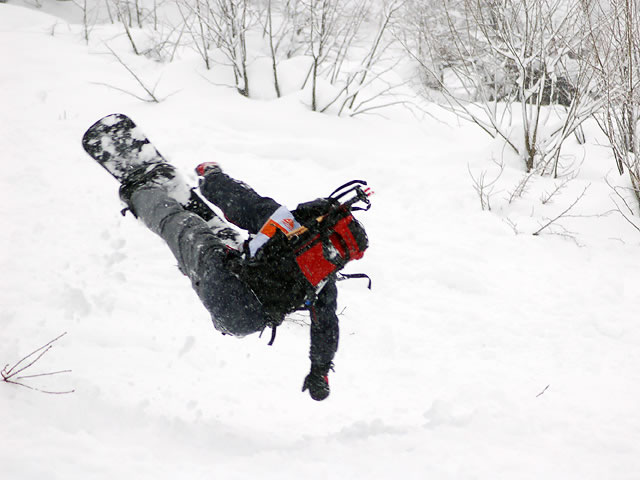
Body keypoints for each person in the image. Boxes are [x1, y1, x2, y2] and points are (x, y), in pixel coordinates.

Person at [118, 161, 340, 401]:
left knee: (181, 225)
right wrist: (320, 372)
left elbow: (235, 198)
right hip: (244, 321)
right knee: (235, 247)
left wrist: (210, 175)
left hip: (223, 285)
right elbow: (326, 327)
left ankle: (141, 189)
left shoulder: (281, 219)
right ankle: (202, 261)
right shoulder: (321, 275)